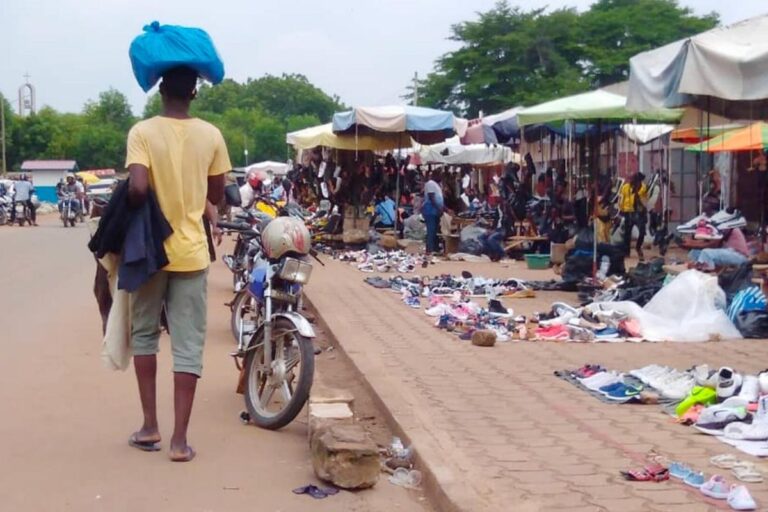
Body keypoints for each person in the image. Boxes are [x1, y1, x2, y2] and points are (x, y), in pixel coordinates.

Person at [124, 65, 230, 462]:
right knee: (187, 348)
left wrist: (144, 199)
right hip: (190, 254)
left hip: (150, 252)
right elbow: (216, 193)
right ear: (195, 94)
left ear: (161, 89)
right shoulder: (212, 135)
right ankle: (179, 442)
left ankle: (150, 426)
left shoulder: (142, 132)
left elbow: (136, 188)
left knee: (145, 337)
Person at [618, 172, 648, 261]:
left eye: (633, 179)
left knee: (642, 232)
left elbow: (644, 200)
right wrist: (621, 210)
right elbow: (621, 199)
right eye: (630, 179)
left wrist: (637, 192)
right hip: (628, 213)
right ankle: (626, 252)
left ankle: (638, 247)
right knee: (627, 234)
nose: (631, 181)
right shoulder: (625, 187)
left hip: (639, 213)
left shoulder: (643, 188)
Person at [422, 171, 444, 254]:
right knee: (431, 230)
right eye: (440, 175)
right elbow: (431, 198)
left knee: (435, 231)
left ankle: (434, 249)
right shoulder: (430, 183)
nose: (441, 177)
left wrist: (443, 208)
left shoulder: (437, 185)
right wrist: (439, 208)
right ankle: (429, 250)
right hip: (430, 211)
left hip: (435, 211)